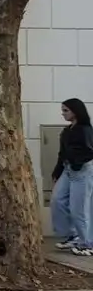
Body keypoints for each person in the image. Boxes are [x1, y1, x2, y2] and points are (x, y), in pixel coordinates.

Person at [51, 98, 93, 257]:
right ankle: (72, 236)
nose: (63, 114)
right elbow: (62, 153)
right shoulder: (67, 130)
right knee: (57, 201)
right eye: (62, 110)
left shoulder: (85, 130)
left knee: (79, 210)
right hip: (68, 170)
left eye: (66, 110)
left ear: (76, 111)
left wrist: (76, 163)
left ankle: (86, 244)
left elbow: (90, 152)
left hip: (81, 171)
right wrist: (57, 172)